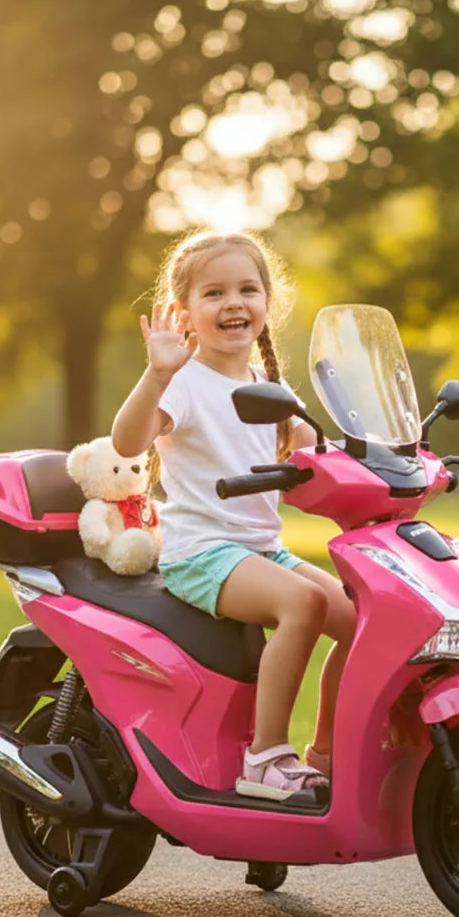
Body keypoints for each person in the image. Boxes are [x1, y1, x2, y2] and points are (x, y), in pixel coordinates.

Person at [111, 230, 353, 803]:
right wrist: (157, 374)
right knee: (305, 603)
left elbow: (316, 449)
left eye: (247, 289)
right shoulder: (185, 383)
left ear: (268, 303)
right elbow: (126, 441)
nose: (233, 303)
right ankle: (265, 757)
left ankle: (328, 753)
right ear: (187, 313)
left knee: (362, 620)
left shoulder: (266, 386)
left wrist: (381, 456)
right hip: (201, 552)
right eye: (214, 293)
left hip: (261, 549)